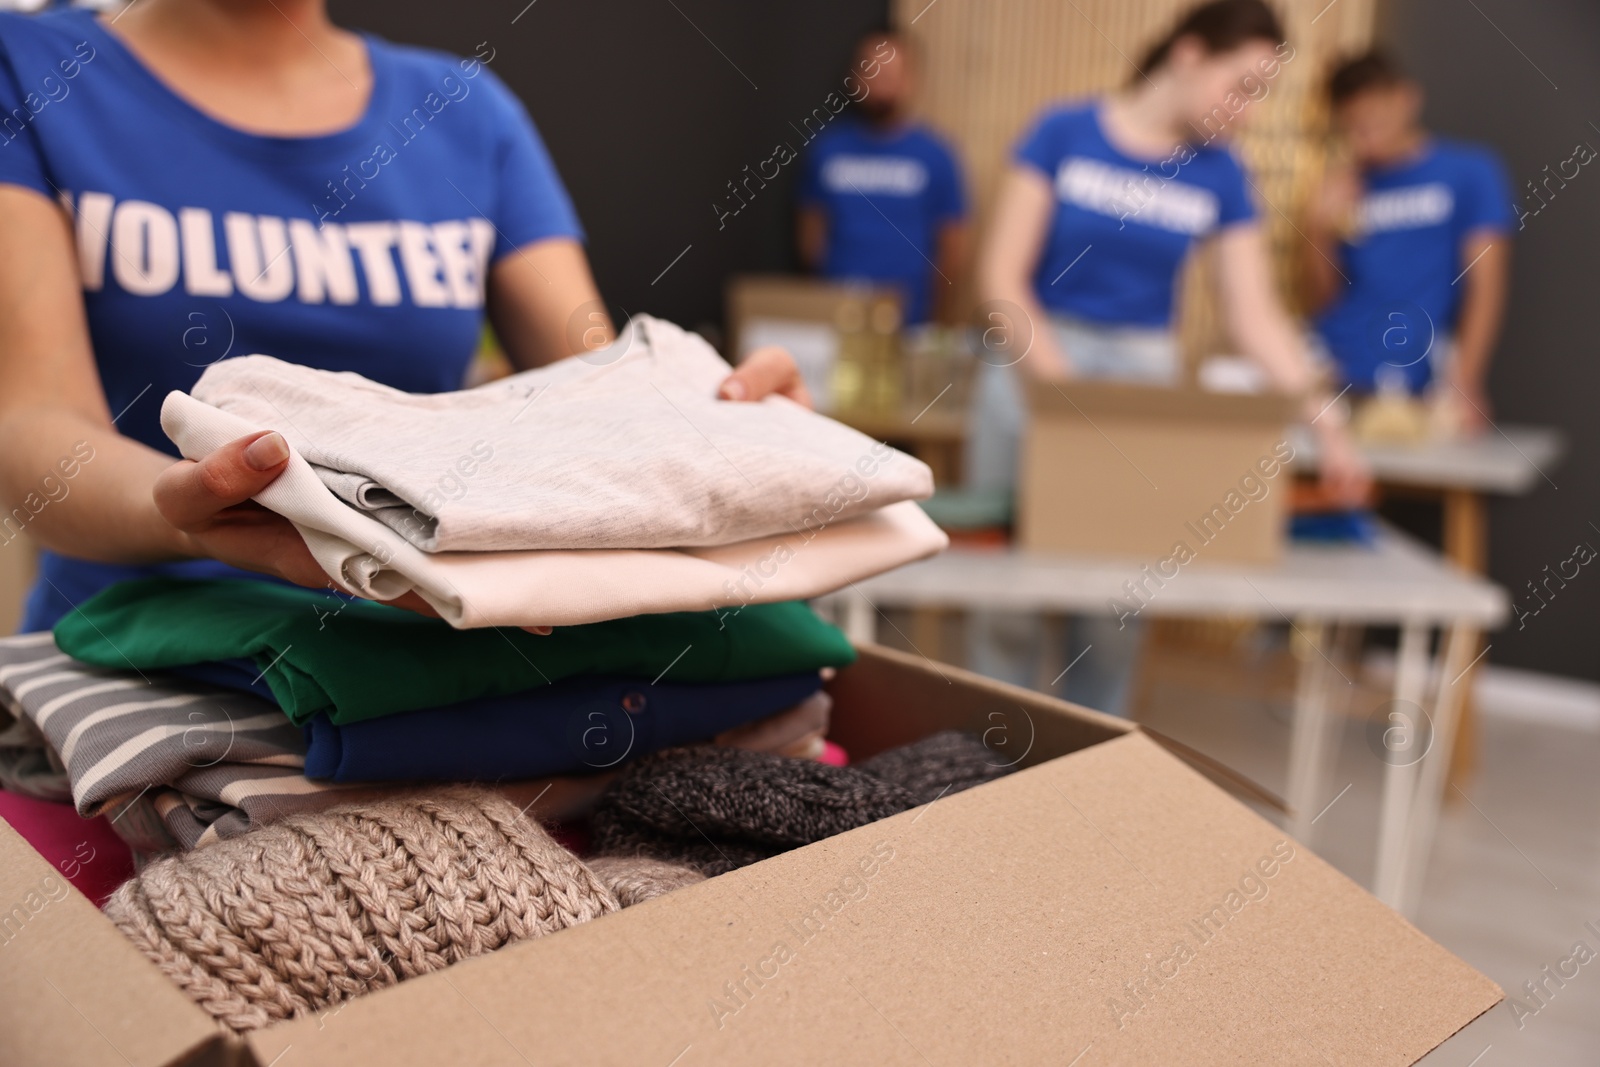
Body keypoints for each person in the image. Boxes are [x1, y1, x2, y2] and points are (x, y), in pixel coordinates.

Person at [0, 0, 809, 634]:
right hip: (124, 665)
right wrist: (194, 512)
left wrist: (721, 422)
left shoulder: (464, 112)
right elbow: (34, 416)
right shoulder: (30, 67)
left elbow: (595, 385)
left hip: (425, 664)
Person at [970, 0, 1370, 714]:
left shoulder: (1222, 174)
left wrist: (1326, 420)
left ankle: (1088, 776)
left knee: (1117, 606)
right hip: (1032, 363)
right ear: (1188, 55)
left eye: (1263, 95)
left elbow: (1254, 317)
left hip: (1141, 383)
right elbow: (1002, 277)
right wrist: (1064, 390)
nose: (1249, 111)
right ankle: (984, 774)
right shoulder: (1063, 131)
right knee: (1008, 594)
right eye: (1242, 86)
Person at [1302, 50, 1513, 429]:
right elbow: (1325, 298)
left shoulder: (1470, 172)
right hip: (1331, 376)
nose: (1365, 139)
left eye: (1374, 122)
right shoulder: (1343, 188)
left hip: (1416, 384)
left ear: (1406, 99)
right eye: (1352, 127)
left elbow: (1487, 288)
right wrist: (1317, 230)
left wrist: (1465, 381)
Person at [796, 29, 968, 326]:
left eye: (891, 73)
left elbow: (951, 245)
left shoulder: (936, 154)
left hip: (908, 319)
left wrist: (934, 314)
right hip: (837, 312)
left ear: (910, 79)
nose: (882, 83)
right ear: (857, 76)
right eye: (873, 71)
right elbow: (811, 234)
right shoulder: (827, 149)